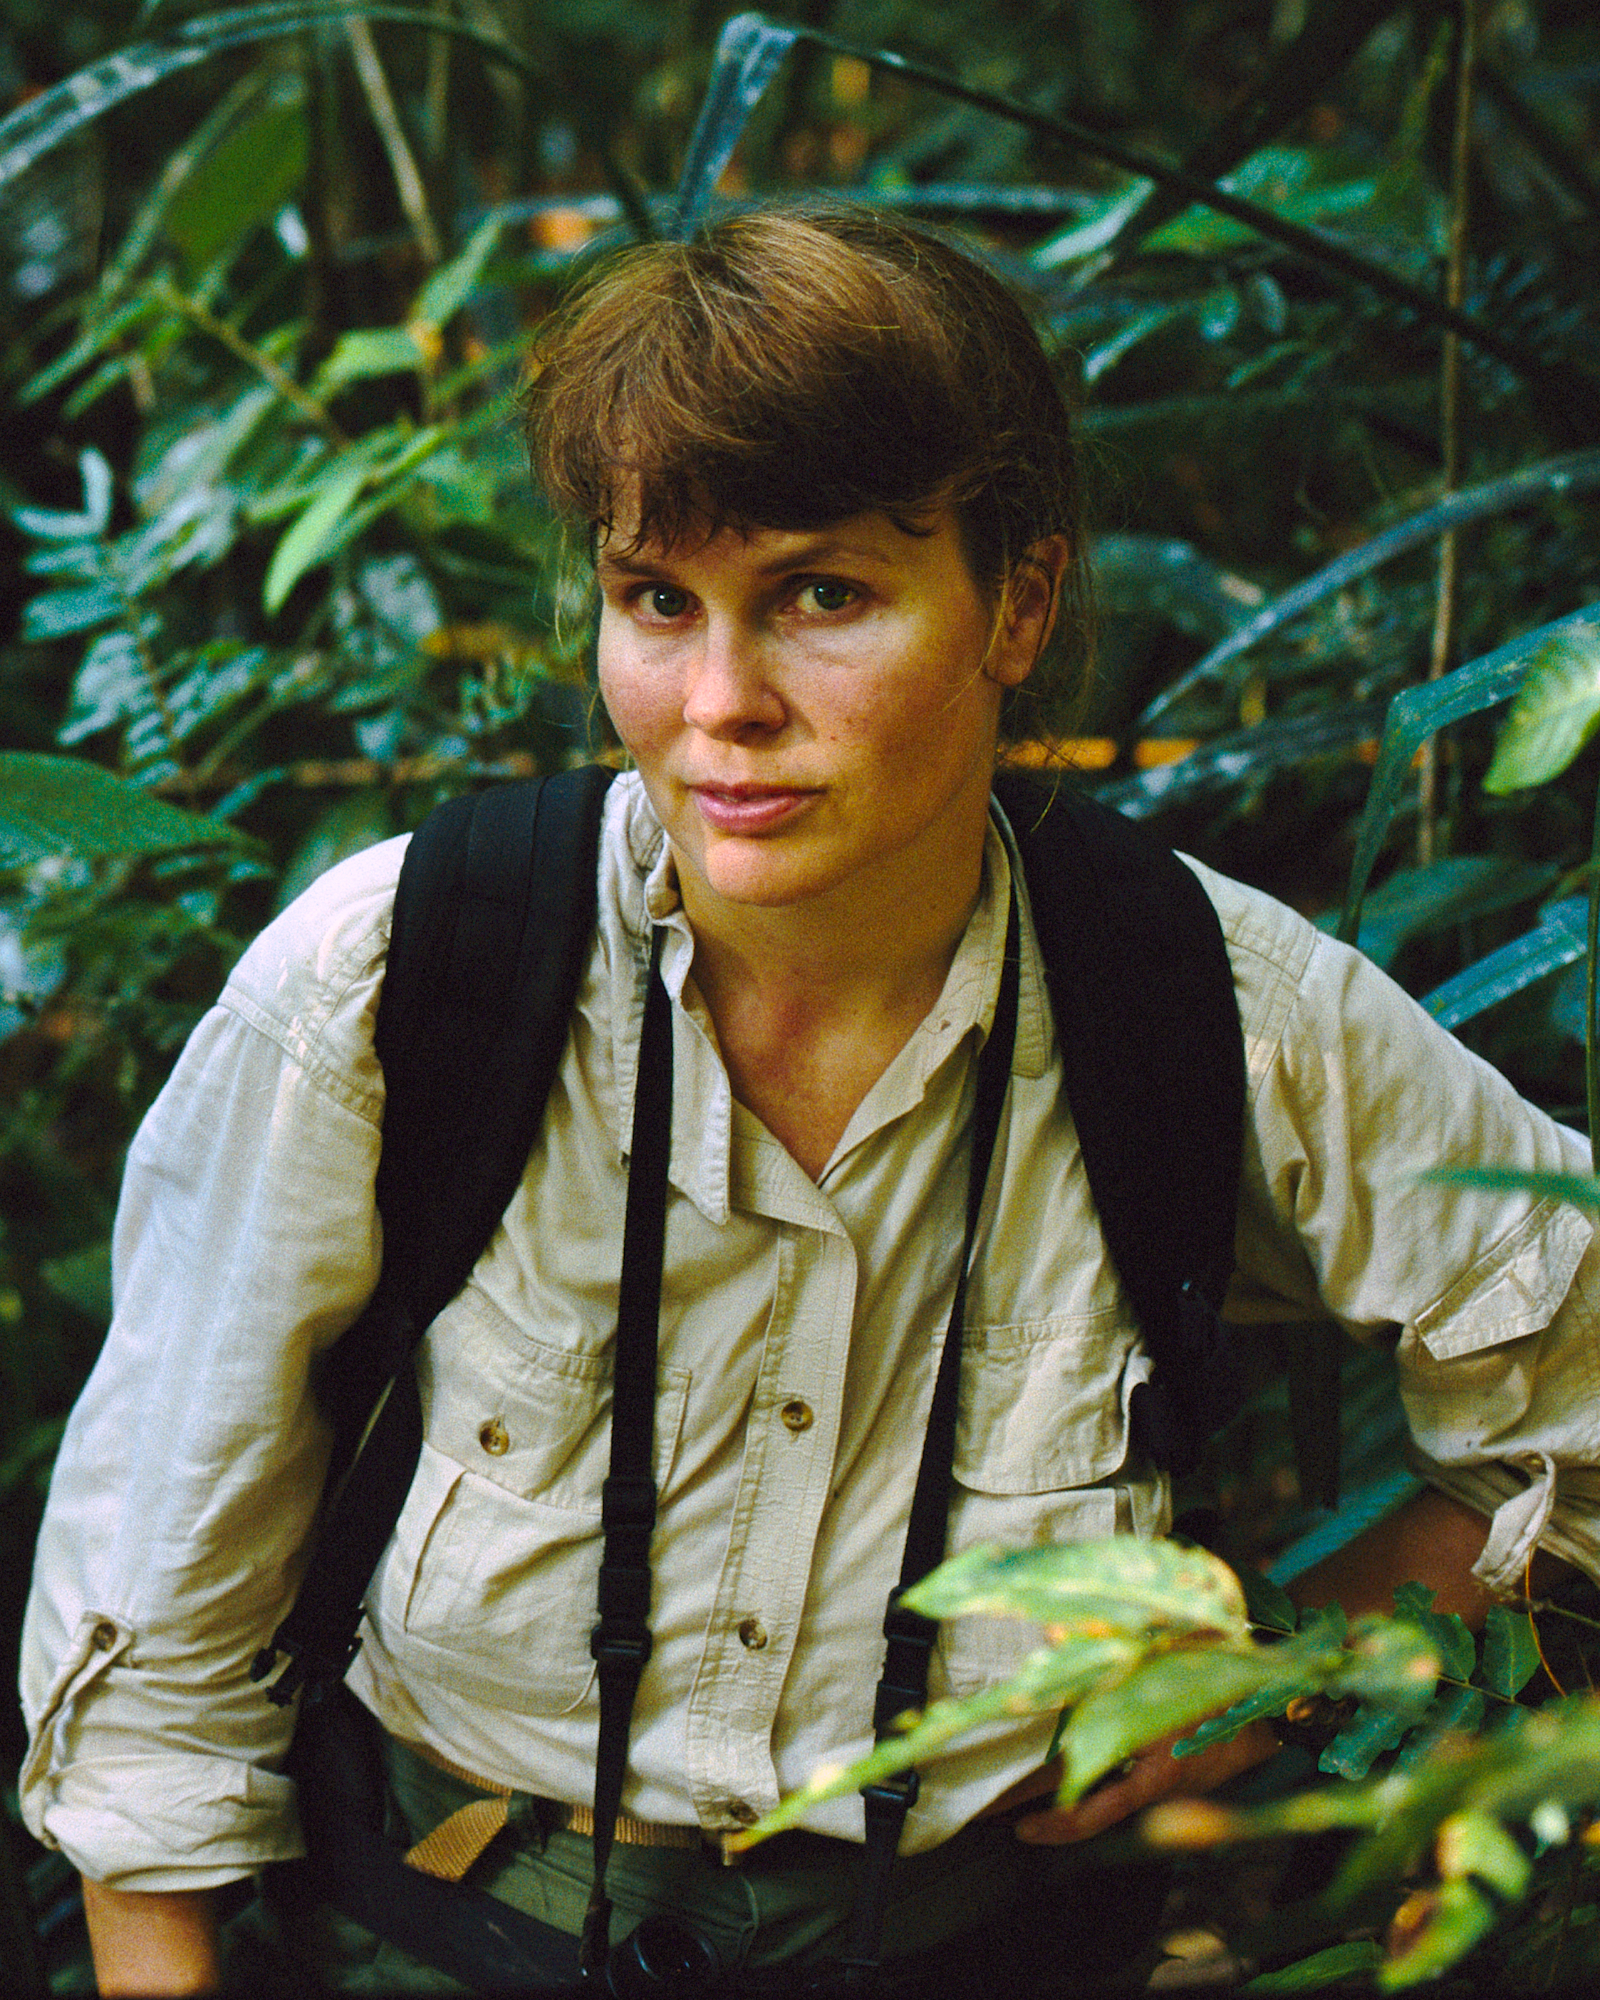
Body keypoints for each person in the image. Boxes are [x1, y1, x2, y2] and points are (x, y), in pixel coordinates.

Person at [19, 200, 1600, 1998]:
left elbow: (1579, 1401)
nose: (720, 704)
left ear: (1019, 603)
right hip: (451, 1925)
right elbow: (157, 1594)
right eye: (657, 602)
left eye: (822, 596)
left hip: (997, 1951)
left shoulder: (1204, 1006)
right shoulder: (403, 977)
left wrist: (1287, 1676)